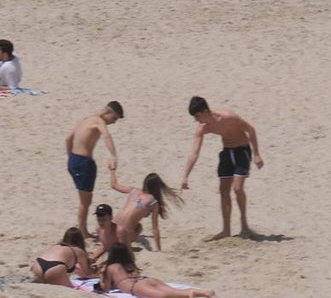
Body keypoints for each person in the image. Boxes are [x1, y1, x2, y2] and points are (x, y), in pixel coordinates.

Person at [181, 96, 264, 241]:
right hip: (226, 153)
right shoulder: (203, 128)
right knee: (223, 190)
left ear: (205, 111)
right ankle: (226, 230)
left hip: (242, 151)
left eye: (197, 116)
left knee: (237, 188)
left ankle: (244, 225)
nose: (196, 120)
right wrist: (185, 176)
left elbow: (250, 130)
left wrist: (256, 154)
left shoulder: (228, 117)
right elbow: (194, 152)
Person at [66, 102, 124, 239]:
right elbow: (106, 136)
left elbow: (68, 138)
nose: (114, 122)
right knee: (85, 201)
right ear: (108, 113)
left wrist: (70, 157)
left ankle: (82, 228)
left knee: (85, 199)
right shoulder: (98, 121)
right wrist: (113, 155)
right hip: (83, 162)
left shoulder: (86, 120)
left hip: (75, 160)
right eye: (114, 118)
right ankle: (82, 231)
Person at [100, 242, 215, 298]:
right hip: (145, 279)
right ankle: (203, 292)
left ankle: (191, 293)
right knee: (171, 290)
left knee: (163, 295)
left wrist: (101, 276)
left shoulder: (111, 267)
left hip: (134, 286)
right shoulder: (129, 264)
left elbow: (105, 288)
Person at [107, 168, 182, 252]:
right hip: (124, 231)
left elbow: (114, 185)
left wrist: (112, 170)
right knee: (138, 228)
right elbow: (155, 229)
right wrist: (158, 249)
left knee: (136, 226)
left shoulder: (133, 190)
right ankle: (125, 244)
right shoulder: (153, 202)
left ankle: (122, 243)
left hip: (112, 227)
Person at [31, 227, 95, 284]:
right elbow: (87, 273)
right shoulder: (79, 251)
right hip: (54, 268)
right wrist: (98, 273)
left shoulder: (57, 245)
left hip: (38, 264)